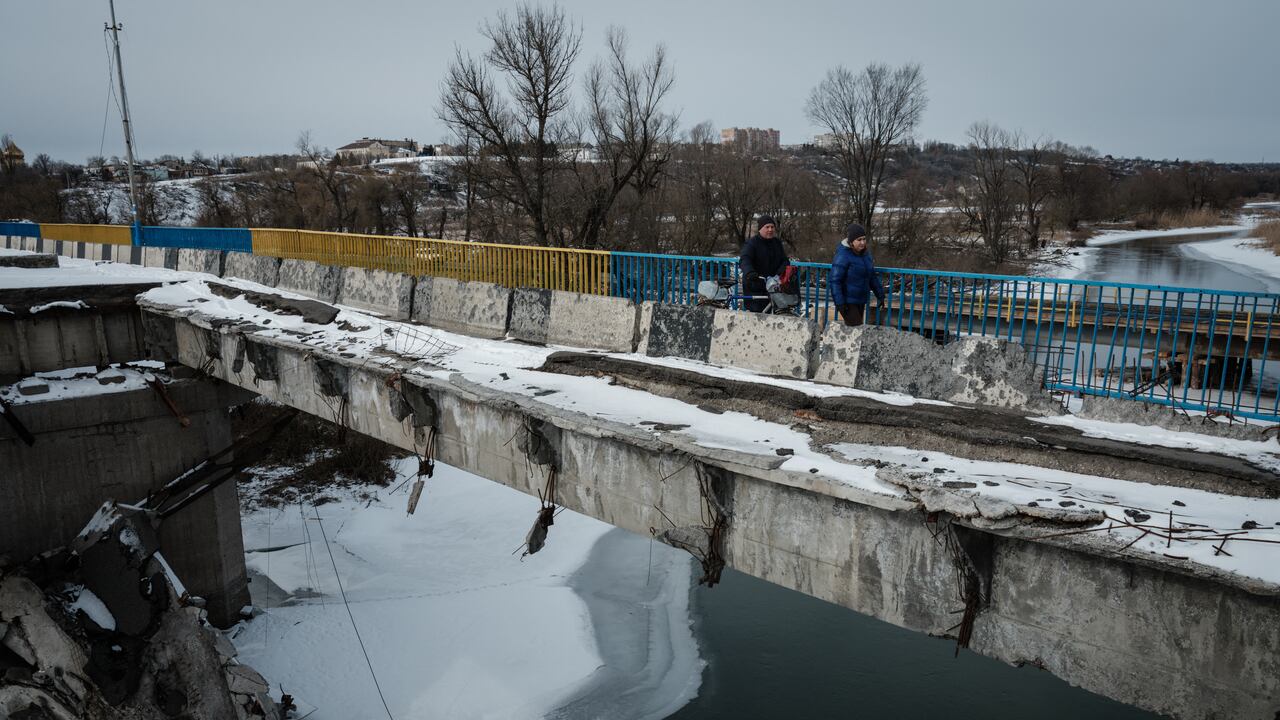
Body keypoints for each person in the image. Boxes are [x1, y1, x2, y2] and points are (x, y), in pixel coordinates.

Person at [830, 222, 885, 326]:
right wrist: (840, 303)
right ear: (851, 242)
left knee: (855, 332)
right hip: (847, 301)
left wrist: (880, 296)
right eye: (859, 240)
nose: (863, 242)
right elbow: (835, 281)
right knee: (856, 329)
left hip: (860, 300)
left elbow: (872, 277)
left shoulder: (865, 255)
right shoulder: (843, 255)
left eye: (864, 239)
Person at [739, 215, 790, 312]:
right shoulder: (752, 243)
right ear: (760, 229)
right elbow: (745, 259)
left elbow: (785, 260)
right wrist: (749, 272)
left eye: (772, 227)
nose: (770, 230)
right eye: (767, 227)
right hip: (756, 285)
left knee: (776, 313)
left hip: (773, 286)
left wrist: (780, 272)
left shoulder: (777, 243)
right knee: (758, 316)